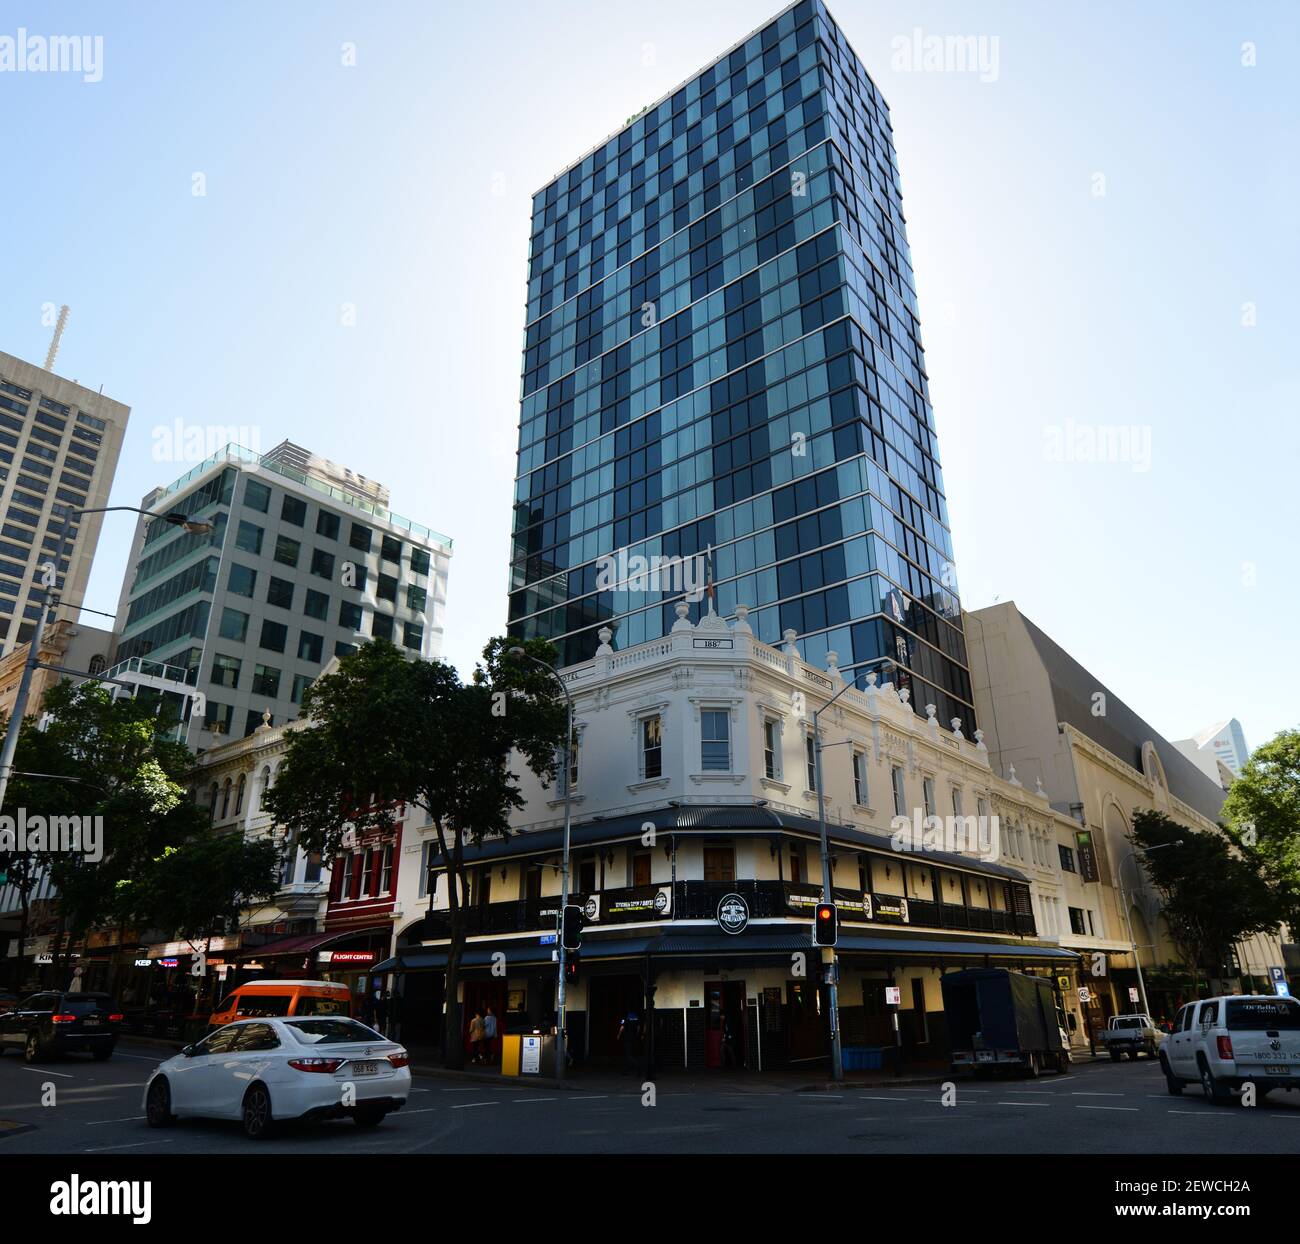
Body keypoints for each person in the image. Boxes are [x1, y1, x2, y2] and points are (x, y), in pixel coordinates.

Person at [616, 1007, 639, 1075]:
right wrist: (636, 1034)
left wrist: (618, 1035)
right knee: (628, 1054)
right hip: (633, 1038)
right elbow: (638, 1026)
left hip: (627, 1038)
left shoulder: (624, 1018)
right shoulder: (634, 1017)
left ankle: (638, 1066)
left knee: (628, 1055)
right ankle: (626, 1070)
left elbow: (622, 1027)